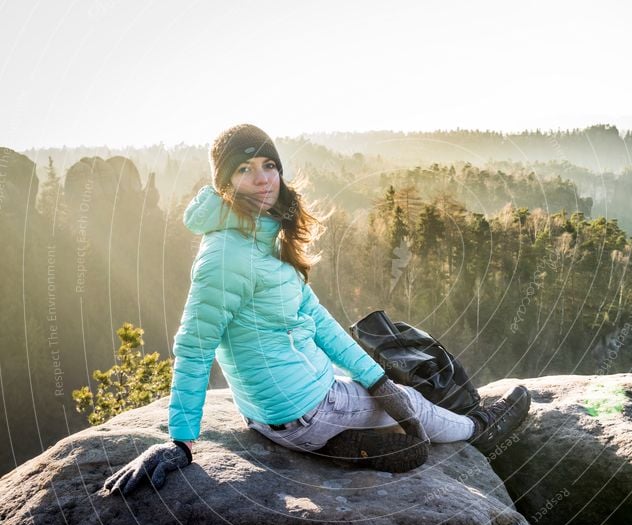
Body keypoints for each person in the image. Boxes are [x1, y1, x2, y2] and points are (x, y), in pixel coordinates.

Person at [104, 124, 531, 496]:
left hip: (272, 410)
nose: (262, 179)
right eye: (244, 169)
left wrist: (376, 379)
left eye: (268, 165)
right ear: (224, 183)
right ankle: (479, 431)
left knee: (383, 385)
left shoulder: (262, 235)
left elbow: (317, 320)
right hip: (301, 407)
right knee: (414, 402)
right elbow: (195, 348)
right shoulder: (225, 256)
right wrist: (180, 440)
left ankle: (337, 441)